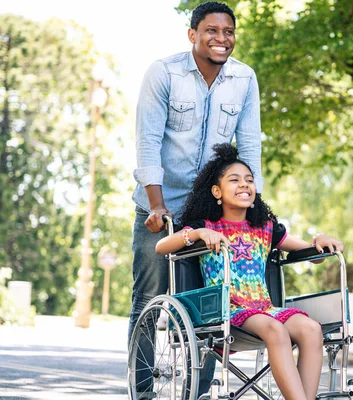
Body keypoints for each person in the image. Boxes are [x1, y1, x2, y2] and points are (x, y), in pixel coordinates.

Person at [130, 1, 263, 396]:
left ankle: (200, 391)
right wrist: (156, 205)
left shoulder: (244, 78)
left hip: (210, 211)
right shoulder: (164, 73)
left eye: (228, 32)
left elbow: (250, 144)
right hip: (161, 206)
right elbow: (148, 140)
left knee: (209, 302)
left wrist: (251, 206)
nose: (221, 39)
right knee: (149, 298)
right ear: (193, 35)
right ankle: (142, 390)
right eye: (211, 31)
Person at [156, 144, 344, 400]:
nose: (244, 185)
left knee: (311, 329)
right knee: (275, 330)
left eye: (249, 180)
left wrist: (320, 241)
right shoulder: (206, 226)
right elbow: (162, 246)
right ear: (216, 191)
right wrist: (198, 234)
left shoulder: (265, 228)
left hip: (264, 307)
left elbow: (310, 253)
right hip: (227, 309)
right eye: (235, 180)